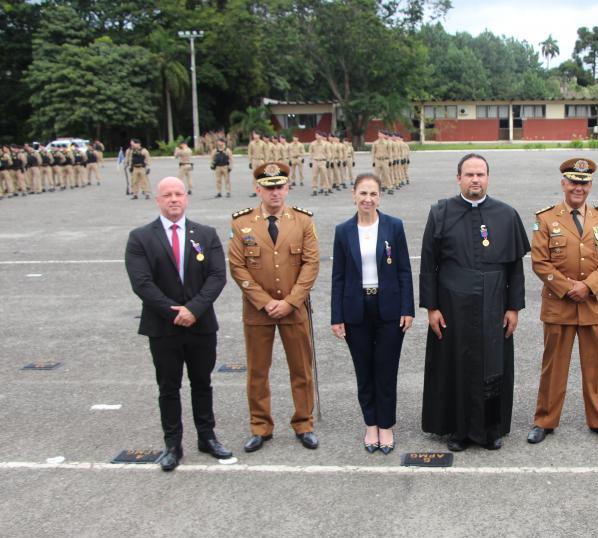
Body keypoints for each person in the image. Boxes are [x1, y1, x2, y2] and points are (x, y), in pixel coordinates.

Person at [420, 153, 530, 451]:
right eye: (469, 174)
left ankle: (491, 428)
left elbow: (515, 268)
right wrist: (431, 308)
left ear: (488, 177)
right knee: (456, 365)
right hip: (452, 305)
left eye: (480, 174)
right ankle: (458, 430)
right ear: (459, 178)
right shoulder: (441, 212)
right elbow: (429, 265)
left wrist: (513, 307)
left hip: (494, 303)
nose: (475, 180)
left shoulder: (506, 214)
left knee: (494, 367)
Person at [125, 176, 232, 471]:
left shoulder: (206, 234)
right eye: (167, 195)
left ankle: (207, 438)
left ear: (186, 198)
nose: (174, 199)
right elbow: (142, 283)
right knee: (168, 387)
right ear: (157, 200)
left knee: (202, 383)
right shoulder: (140, 238)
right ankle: (173, 444)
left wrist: (193, 310)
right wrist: (175, 312)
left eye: (178, 194)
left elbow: (216, 277)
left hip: (200, 324)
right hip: (163, 327)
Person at [228, 162, 321, 452]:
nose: (275, 193)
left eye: (279, 187)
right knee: (258, 371)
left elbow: (311, 263)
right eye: (269, 188)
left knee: (301, 370)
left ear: (287, 188)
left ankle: (304, 423)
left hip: (294, 309)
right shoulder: (242, 223)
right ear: (258, 190)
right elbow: (237, 267)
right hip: (258, 311)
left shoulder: (303, 221)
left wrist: (291, 301)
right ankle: (260, 426)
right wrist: (266, 302)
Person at [527, 158, 598, 445]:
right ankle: (545, 420)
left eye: (584, 183)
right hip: (559, 303)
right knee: (553, 366)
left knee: (595, 368)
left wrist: (589, 286)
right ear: (563, 183)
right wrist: (569, 288)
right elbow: (540, 262)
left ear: (590, 186)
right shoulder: (546, 218)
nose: (578, 188)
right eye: (574, 182)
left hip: (591, 303)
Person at [330, 173, 414, 454]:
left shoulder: (393, 226)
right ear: (353, 194)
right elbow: (338, 277)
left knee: (386, 370)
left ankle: (386, 426)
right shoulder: (343, 231)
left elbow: (404, 270)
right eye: (363, 193)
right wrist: (336, 315)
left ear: (380, 196)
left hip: (388, 308)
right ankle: (371, 425)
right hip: (356, 309)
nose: (368, 199)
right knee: (364, 370)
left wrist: (407, 308)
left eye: (373, 194)